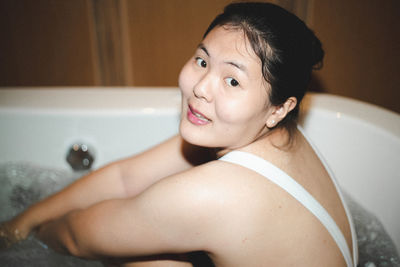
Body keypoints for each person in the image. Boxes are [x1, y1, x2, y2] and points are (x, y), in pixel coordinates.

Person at [0, 2, 358, 266]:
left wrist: (35, 238)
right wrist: (21, 222)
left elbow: (77, 236)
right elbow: (127, 178)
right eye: (203, 61)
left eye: (232, 80)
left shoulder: (211, 193)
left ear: (280, 107)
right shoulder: (280, 136)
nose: (201, 88)